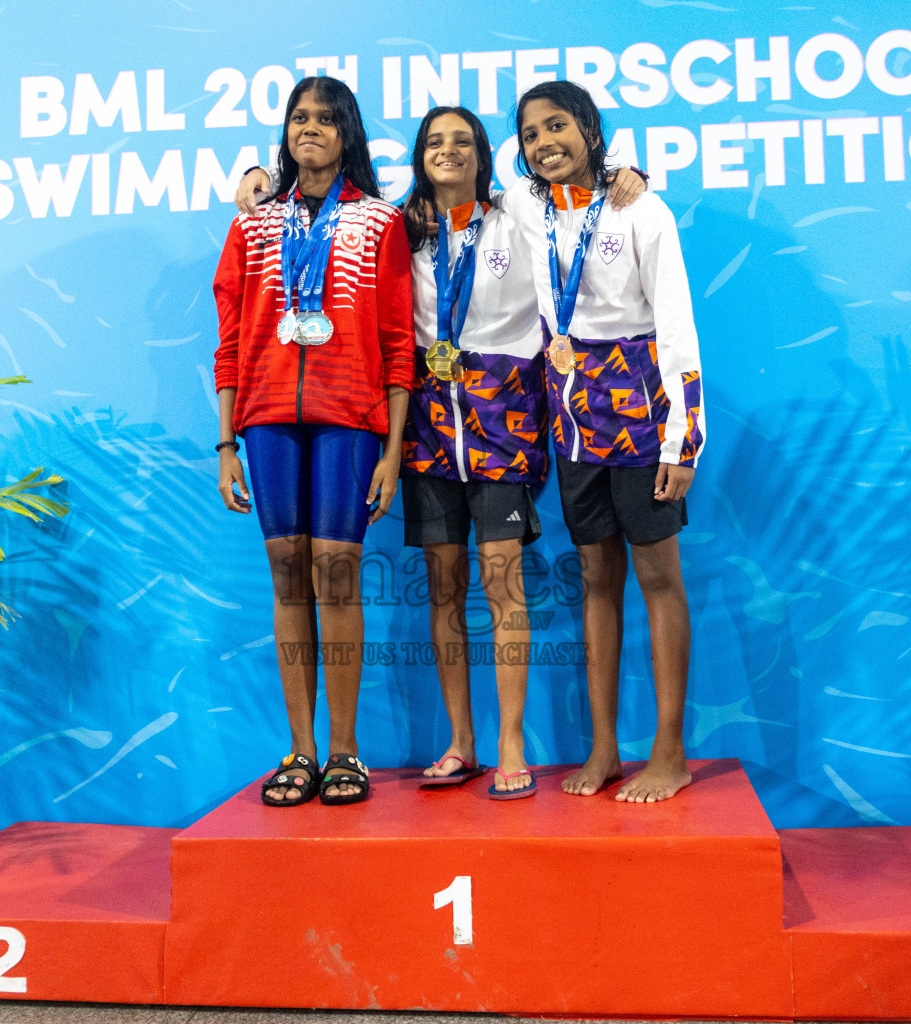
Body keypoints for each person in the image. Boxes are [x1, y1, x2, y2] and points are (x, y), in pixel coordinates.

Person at [235, 108, 644, 800]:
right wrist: (256, 177)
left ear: (485, 155)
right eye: (434, 142)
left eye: (462, 141)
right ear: (418, 157)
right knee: (444, 586)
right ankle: (463, 743)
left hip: (501, 422)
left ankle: (512, 744)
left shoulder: (518, 211)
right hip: (428, 427)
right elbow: (313, 203)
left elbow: (574, 187)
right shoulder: (403, 227)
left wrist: (625, 176)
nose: (447, 151)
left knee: (503, 583)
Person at [212, 76, 413, 807]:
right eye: (299, 117)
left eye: (327, 119)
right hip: (266, 420)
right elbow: (229, 341)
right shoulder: (252, 224)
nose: (311, 129)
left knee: (335, 575)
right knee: (288, 574)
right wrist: (227, 443)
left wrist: (391, 451)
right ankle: (300, 751)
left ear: (347, 134)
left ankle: (347, 752)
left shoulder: (381, 222)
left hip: (349, 418)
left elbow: (398, 341)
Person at [511, 80, 704, 803]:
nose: (543, 143)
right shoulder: (531, 210)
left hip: (645, 414)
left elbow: (678, 327)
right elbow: (489, 173)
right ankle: (603, 748)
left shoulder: (641, 210)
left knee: (658, 579)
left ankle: (670, 752)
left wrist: (683, 444)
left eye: (558, 127)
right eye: (532, 134)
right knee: (596, 580)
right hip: (572, 417)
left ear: (590, 129)